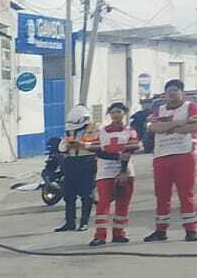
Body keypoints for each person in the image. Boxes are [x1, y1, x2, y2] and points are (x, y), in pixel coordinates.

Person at [147, 78, 197, 241]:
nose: (172, 94)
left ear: (182, 93)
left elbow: (194, 127)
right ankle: (160, 230)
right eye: (169, 91)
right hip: (161, 156)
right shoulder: (160, 109)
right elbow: (153, 128)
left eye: (175, 90)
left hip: (184, 154)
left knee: (185, 193)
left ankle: (190, 230)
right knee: (161, 195)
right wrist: (179, 125)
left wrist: (167, 127)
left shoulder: (191, 107)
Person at [89, 101, 141, 245]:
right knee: (103, 203)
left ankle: (119, 233)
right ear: (109, 115)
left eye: (119, 112)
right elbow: (96, 150)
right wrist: (117, 156)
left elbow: (129, 151)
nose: (116, 115)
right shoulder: (101, 132)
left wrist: (123, 171)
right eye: (113, 112)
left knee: (123, 203)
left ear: (124, 113)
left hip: (126, 172)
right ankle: (100, 235)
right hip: (105, 172)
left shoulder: (130, 131)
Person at [55, 105, 98, 233]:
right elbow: (61, 147)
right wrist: (67, 146)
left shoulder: (96, 129)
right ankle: (70, 223)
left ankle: (84, 223)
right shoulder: (70, 130)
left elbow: (100, 145)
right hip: (71, 162)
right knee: (68, 194)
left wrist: (84, 144)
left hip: (87, 161)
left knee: (86, 195)